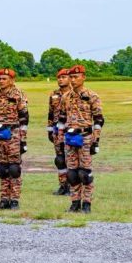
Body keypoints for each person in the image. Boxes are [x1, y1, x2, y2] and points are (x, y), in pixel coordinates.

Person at [58, 65, 104, 213]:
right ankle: (75, 203)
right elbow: (61, 120)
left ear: (83, 77)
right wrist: (60, 140)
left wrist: (95, 140)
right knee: (72, 173)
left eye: (76, 77)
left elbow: (99, 120)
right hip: (70, 138)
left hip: (85, 138)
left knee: (85, 173)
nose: (73, 80)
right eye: (71, 77)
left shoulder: (92, 96)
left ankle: (87, 204)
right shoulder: (66, 97)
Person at [0, 68, 29, 210]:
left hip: (14, 135)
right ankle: (4, 199)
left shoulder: (18, 96)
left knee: (14, 169)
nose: (1, 81)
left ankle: (15, 200)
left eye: (4, 79)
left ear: (12, 80)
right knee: (2, 168)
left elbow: (24, 119)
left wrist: (23, 140)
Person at [47, 68, 71, 196]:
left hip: (71, 131)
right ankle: (63, 185)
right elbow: (51, 113)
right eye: (59, 77)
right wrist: (49, 129)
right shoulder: (54, 95)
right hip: (57, 131)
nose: (60, 80)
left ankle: (73, 187)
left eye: (63, 77)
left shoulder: (75, 94)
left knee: (71, 159)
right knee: (60, 159)